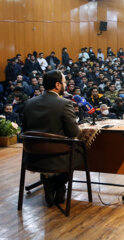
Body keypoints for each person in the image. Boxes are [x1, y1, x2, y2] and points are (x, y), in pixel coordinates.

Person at [22, 70, 82, 208]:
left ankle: (48, 182)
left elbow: (25, 131)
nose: (66, 85)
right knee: (80, 150)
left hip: (33, 157)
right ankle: (59, 185)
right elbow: (73, 132)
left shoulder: (29, 103)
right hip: (58, 158)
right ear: (57, 85)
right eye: (64, 82)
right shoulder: (64, 103)